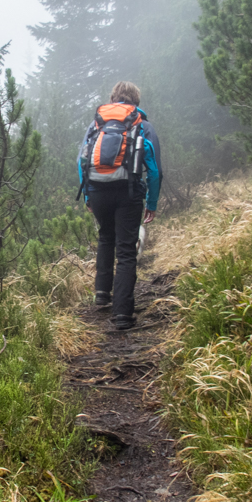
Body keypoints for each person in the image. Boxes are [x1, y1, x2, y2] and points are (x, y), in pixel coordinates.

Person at [79, 81, 161, 330]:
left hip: (98, 190)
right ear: (136, 100)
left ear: (113, 98)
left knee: (106, 236)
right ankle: (123, 314)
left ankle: (102, 293)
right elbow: (155, 170)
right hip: (129, 192)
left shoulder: (97, 124)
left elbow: (80, 159)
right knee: (126, 250)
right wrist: (152, 203)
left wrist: (87, 196)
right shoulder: (143, 125)